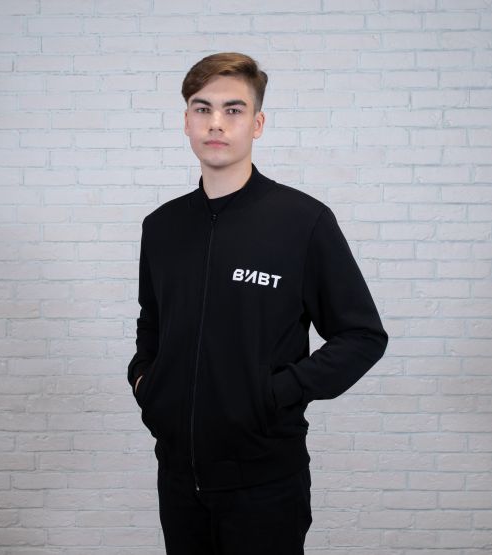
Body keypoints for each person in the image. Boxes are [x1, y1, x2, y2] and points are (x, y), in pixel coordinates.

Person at [127, 52, 388, 555]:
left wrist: (274, 394)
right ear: (186, 121)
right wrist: (146, 382)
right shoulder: (161, 227)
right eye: (202, 109)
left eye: (233, 109)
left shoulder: (302, 221)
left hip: (265, 484)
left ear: (258, 124)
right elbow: (152, 324)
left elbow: (362, 336)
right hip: (178, 479)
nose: (216, 123)